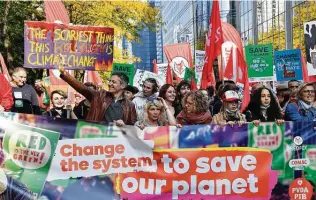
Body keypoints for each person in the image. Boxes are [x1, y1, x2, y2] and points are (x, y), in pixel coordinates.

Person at [59, 64, 136, 126]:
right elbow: (82, 88)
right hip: (96, 138)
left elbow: (132, 127)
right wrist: (64, 74)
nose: (109, 84)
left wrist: (124, 125)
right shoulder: (99, 95)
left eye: (113, 82)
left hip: (116, 143)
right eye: (109, 81)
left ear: (123, 86)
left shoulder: (130, 106)